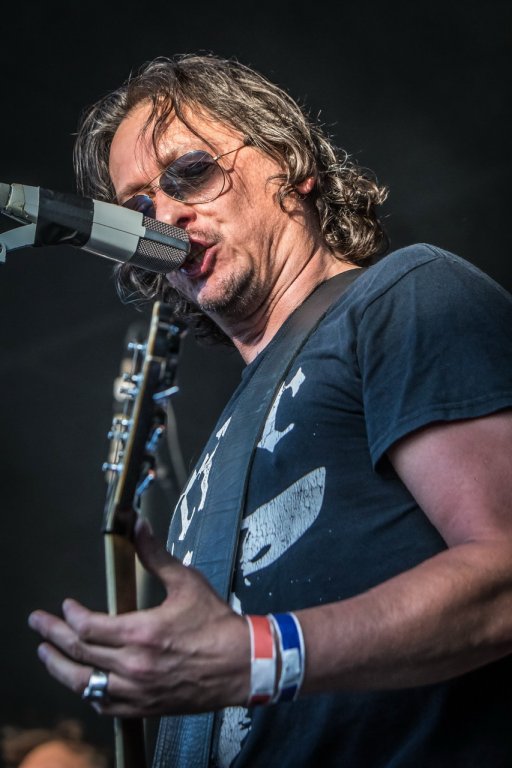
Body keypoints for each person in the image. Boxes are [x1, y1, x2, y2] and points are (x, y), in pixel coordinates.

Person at [28, 54, 512, 767]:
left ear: (291, 164)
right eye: (138, 209)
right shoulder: (224, 443)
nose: (165, 216)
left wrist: (261, 655)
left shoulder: (406, 296)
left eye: (190, 172)